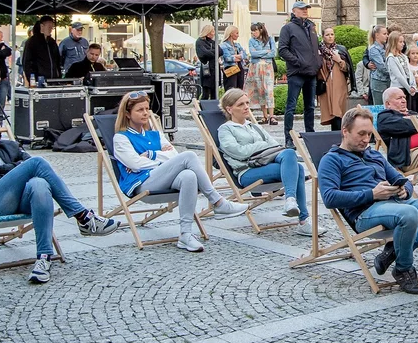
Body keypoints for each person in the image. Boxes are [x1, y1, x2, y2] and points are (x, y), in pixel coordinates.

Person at [0, 104, 119, 283]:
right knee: (37, 164)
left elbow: (32, 168)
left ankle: (44, 258)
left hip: (17, 201)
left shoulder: (10, 146)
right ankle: (84, 217)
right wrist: (15, 174)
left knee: (39, 183)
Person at [318, 106, 418, 294]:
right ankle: (403, 268)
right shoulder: (331, 160)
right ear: (345, 131)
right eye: (361, 134)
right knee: (409, 214)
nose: (366, 140)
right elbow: (330, 198)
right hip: (366, 213)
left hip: (399, 204)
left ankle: (395, 250)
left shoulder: (374, 154)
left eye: (369, 134)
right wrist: (372, 194)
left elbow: (399, 178)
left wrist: (405, 189)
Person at [113, 91, 247, 252]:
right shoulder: (121, 138)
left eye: (147, 109)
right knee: (189, 155)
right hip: (140, 183)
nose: (145, 113)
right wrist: (164, 159)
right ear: (127, 114)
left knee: (188, 175)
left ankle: (186, 234)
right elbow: (135, 164)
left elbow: (174, 156)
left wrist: (152, 154)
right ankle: (217, 201)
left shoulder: (155, 134)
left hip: (160, 177)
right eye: (140, 110)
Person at [218, 89, 325, 236]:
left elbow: (275, 146)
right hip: (247, 172)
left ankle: (291, 202)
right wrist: (261, 146)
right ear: (229, 109)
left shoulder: (254, 126)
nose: (246, 107)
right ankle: (303, 220)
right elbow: (239, 152)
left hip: (265, 165)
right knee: (297, 169)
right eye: (241, 104)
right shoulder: (225, 130)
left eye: (247, 103)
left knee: (290, 155)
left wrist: (261, 147)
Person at [278, 2, 322, 145]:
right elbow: (282, 50)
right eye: (302, 9)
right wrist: (298, 62)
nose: (305, 11)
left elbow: (316, 48)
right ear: (294, 11)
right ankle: (288, 138)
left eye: (306, 9)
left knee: (310, 106)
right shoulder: (288, 28)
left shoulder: (311, 27)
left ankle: (310, 135)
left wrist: (318, 63)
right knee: (291, 105)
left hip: (311, 72)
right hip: (297, 72)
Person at [318, 26, 353, 131]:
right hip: (326, 84)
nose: (330, 37)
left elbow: (348, 68)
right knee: (330, 111)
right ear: (323, 36)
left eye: (332, 34)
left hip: (339, 83)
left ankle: (338, 134)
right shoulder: (319, 50)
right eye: (327, 35)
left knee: (339, 110)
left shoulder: (341, 49)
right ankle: (334, 134)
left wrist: (339, 60)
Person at [246, 22, 277, 124]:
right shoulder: (251, 41)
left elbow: (273, 53)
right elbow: (253, 54)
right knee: (260, 91)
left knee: (269, 90)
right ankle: (265, 116)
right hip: (256, 68)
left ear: (260, 30)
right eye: (252, 31)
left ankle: (272, 116)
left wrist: (261, 54)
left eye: (255, 31)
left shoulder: (270, 40)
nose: (253, 33)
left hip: (267, 67)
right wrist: (265, 52)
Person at [22, 16, 61, 85]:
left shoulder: (52, 42)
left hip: (54, 80)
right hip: (39, 80)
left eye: (52, 27)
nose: (51, 29)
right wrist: (32, 80)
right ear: (42, 26)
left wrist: (58, 75)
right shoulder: (32, 42)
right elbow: (26, 62)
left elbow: (57, 60)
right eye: (49, 27)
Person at [365, 25, 390, 104]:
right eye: (384, 34)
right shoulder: (373, 49)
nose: (387, 36)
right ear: (377, 35)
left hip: (388, 80)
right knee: (380, 106)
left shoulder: (386, 47)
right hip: (379, 81)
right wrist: (395, 73)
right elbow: (381, 67)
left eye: (387, 34)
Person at [219, 25, 248, 92]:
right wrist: (239, 56)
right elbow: (227, 58)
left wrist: (235, 56)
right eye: (236, 33)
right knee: (231, 89)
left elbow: (245, 55)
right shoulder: (223, 45)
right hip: (230, 68)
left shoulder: (237, 45)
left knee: (240, 89)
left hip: (240, 68)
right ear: (231, 33)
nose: (238, 35)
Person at [195, 24, 218, 101]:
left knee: (214, 93)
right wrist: (214, 52)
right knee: (206, 93)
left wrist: (211, 52)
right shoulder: (199, 41)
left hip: (215, 70)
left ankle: (213, 108)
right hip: (206, 71)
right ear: (208, 32)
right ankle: (202, 109)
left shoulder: (212, 42)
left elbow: (220, 51)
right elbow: (204, 53)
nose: (214, 33)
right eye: (212, 31)